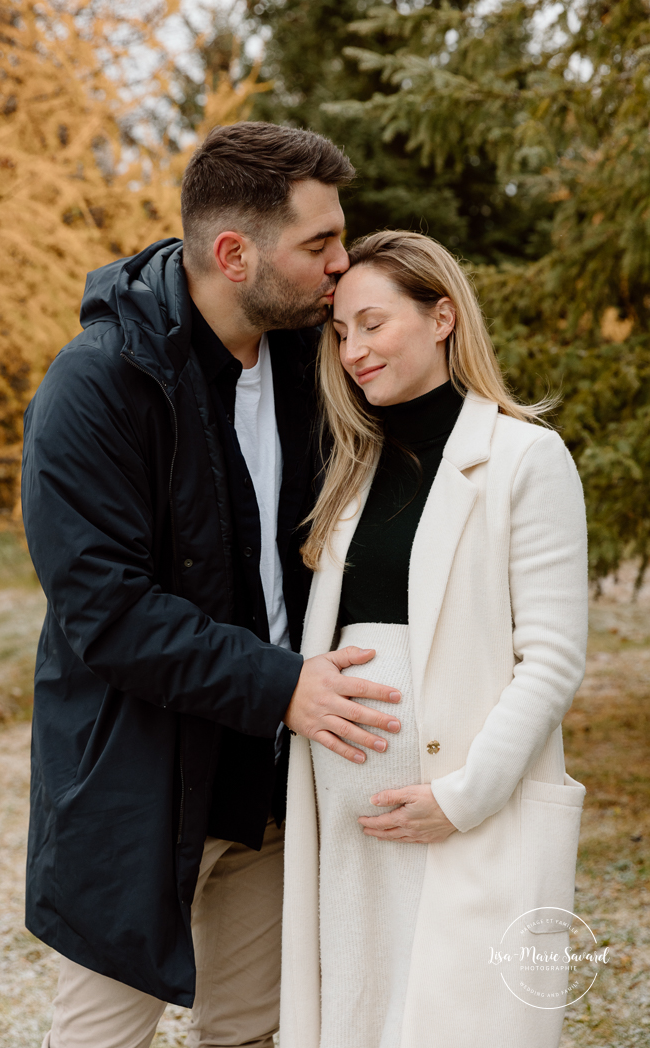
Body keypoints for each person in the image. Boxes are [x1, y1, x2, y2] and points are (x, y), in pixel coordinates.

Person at [21, 123, 404, 1048]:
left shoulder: (314, 367)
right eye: (318, 245)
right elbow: (106, 612)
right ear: (235, 254)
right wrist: (283, 686)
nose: (339, 264)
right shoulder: (94, 387)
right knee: (101, 1038)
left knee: (252, 1034)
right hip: (132, 788)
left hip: (268, 784)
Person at [280, 230, 589, 1048]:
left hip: (464, 818)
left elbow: (553, 658)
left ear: (442, 315)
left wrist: (459, 799)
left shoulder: (526, 457)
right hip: (349, 837)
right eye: (341, 333)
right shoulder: (350, 467)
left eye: (373, 324)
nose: (353, 350)